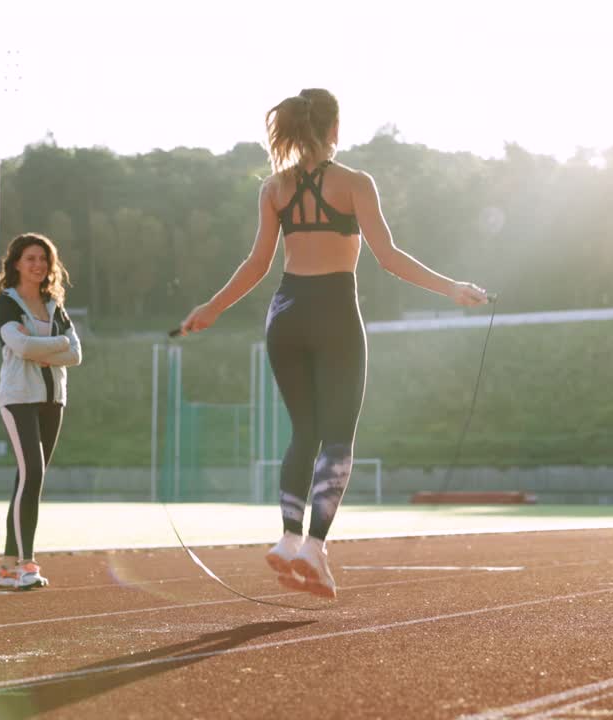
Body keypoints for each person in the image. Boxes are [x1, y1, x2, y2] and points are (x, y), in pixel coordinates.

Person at [177, 88, 490, 598]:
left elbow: (258, 264)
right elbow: (388, 257)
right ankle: (315, 550)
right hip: (336, 314)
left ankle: (287, 538)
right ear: (335, 129)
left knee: (304, 431)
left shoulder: (274, 188)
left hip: (286, 314)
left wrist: (211, 308)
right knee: (338, 438)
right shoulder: (355, 183)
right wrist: (452, 288)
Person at [0, 232, 83, 590]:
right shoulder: (7, 303)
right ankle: (27, 565)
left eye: (43, 258)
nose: (38, 265)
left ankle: (6, 566)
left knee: (27, 478)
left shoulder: (54, 304)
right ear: (16, 263)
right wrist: (58, 344)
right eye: (30, 258)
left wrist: (48, 348)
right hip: (17, 397)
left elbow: (76, 354)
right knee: (33, 473)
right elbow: (20, 345)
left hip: (52, 398)